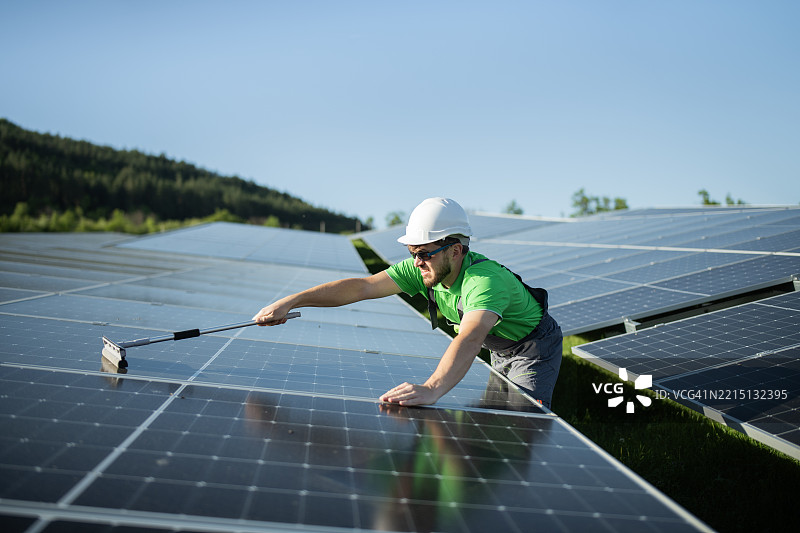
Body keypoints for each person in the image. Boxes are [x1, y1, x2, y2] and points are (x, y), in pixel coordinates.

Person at [253, 197, 563, 408]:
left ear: (455, 251)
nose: (416, 262)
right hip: (500, 345)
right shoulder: (427, 268)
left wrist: (431, 388)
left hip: (533, 347)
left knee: (523, 423)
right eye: (412, 252)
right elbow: (362, 287)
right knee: (497, 420)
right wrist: (294, 300)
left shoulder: (485, 283)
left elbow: (470, 336)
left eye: (424, 253)